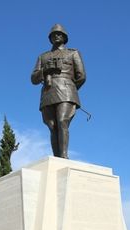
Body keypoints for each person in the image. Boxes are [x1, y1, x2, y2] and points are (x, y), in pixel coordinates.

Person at [31, 23, 86, 159]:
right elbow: (33, 79)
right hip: (48, 92)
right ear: (49, 38)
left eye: (59, 34)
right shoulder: (43, 57)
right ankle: (57, 158)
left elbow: (81, 76)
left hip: (67, 91)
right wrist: (45, 71)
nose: (56, 36)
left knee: (62, 121)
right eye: (53, 34)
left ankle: (64, 157)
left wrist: (71, 89)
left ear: (64, 37)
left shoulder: (73, 53)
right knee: (52, 125)